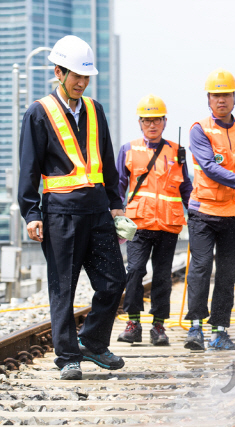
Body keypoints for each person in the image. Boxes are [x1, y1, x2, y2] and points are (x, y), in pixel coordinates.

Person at [18, 35, 127, 380]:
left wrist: (116, 205)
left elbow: (107, 162)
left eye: (86, 77)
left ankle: (93, 342)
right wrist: (31, 213)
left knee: (114, 281)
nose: (81, 83)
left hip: (97, 212)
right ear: (58, 72)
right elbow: (29, 167)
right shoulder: (39, 112)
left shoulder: (95, 110)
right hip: (59, 215)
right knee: (62, 287)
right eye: (75, 76)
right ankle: (67, 357)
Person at [184, 68, 235, 351]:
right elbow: (209, 167)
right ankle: (195, 327)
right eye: (216, 95)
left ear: (234, 97)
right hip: (204, 213)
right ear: (208, 99)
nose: (221, 100)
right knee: (201, 267)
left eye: (226, 95)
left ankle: (219, 331)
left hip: (234, 214)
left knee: (227, 272)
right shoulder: (199, 129)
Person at [115, 94, 192, 346]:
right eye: (147, 120)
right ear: (140, 122)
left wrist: (195, 214)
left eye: (156, 119)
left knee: (162, 276)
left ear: (165, 121)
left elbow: (186, 188)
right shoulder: (128, 149)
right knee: (135, 271)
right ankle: (133, 322)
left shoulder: (177, 152)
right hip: (139, 224)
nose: (152, 125)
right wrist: (114, 215)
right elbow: (118, 187)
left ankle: (159, 326)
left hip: (168, 225)